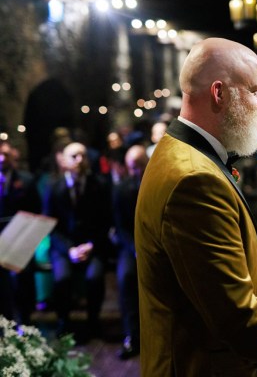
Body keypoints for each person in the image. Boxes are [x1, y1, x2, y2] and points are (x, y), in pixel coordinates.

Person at [134, 37, 257, 377]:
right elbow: (233, 311)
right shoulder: (193, 179)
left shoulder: (177, 151)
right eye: (254, 89)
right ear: (219, 93)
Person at [43, 141, 111, 339]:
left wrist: (91, 246)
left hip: (92, 245)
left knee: (94, 277)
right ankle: (64, 322)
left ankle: (93, 321)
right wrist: (69, 249)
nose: (80, 160)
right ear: (63, 160)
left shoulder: (99, 185)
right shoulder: (54, 187)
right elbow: (51, 226)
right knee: (62, 278)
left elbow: (106, 222)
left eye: (83, 156)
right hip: (64, 246)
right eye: (74, 156)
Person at [111, 145, 148, 360]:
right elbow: (121, 226)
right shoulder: (122, 189)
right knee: (126, 277)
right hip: (131, 245)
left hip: (156, 244)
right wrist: (136, 249)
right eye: (133, 168)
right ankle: (132, 336)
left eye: (141, 166)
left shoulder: (160, 182)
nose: (138, 172)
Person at [0, 140, 42, 325]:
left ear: (13, 157)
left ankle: (24, 321)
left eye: (6, 155)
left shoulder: (26, 180)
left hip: (19, 241)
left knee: (21, 281)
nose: (2, 159)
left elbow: (36, 210)